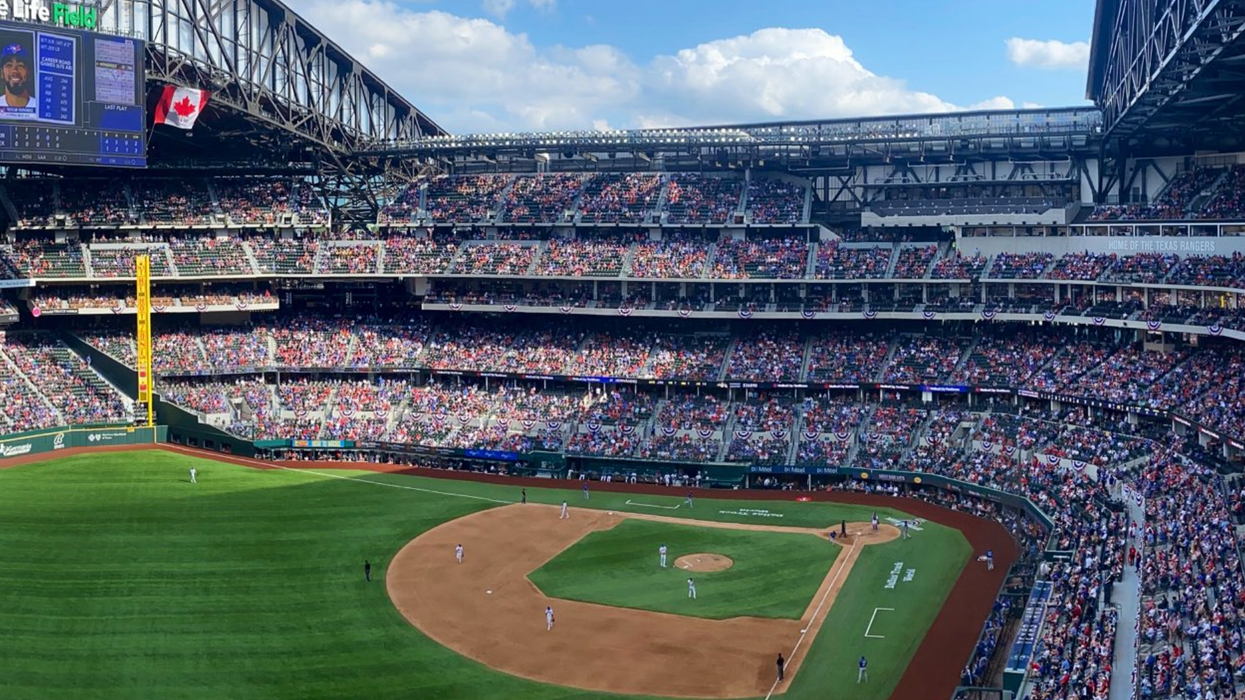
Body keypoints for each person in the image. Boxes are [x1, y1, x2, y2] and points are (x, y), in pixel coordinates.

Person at [0, 43, 34, 113]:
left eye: (20, 65)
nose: (15, 71)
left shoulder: (39, 107)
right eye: (9, 65)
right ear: (1, 73)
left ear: (28, 72)